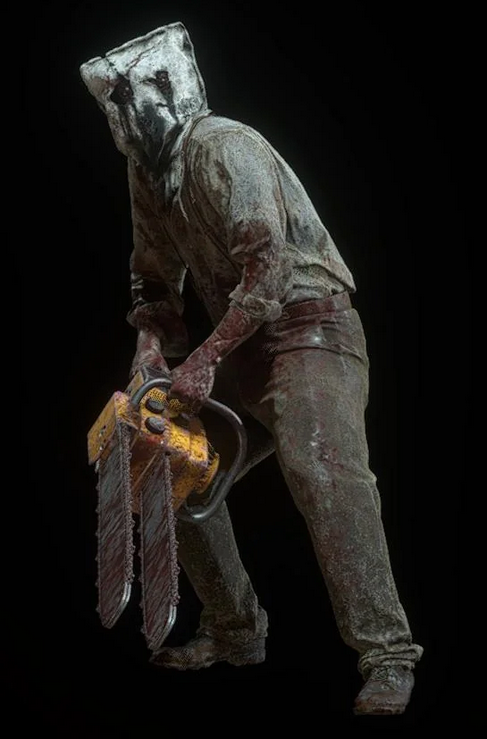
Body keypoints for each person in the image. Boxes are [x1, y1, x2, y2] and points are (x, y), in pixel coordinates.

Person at [80, 21, 423, 715]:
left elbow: (267, 269)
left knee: (320, 468)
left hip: (310, 331)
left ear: (169, 89)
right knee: (168, 467)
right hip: (241, 344)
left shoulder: (223, 147)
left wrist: (204, 358)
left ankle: (387, 653)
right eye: (115, 104)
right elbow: (153, 282)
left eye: (134, 98)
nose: (127, 117)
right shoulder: (149, 174)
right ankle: (236, 629)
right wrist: (151, 350)